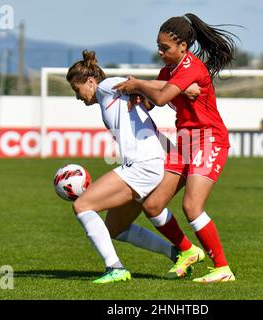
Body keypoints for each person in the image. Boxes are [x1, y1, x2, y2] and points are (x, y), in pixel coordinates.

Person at [114, 13, 237, 283]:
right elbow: (150, 99)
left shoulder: (191, 67)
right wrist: (138, 94)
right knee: (153, 205)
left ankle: (223, 269)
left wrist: (139, 85)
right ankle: (187, 251)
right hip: (185, 142)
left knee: (192, 206)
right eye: (158, 46)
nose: (160, 52)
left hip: (208, 138)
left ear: (183, 46)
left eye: (165, 47)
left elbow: (159, 98)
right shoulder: (167, 72)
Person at [66, 50, 183, 284]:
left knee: (82, 205)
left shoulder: (105, 86)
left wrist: (161, 87)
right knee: (115, 228)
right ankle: (177, 254)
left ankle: (115, 268)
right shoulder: (107, 98)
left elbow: (136, 84)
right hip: (146, 164)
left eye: (76, 90)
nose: (78, 97)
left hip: (142, 166)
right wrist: (144, 96)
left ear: (90, 81)